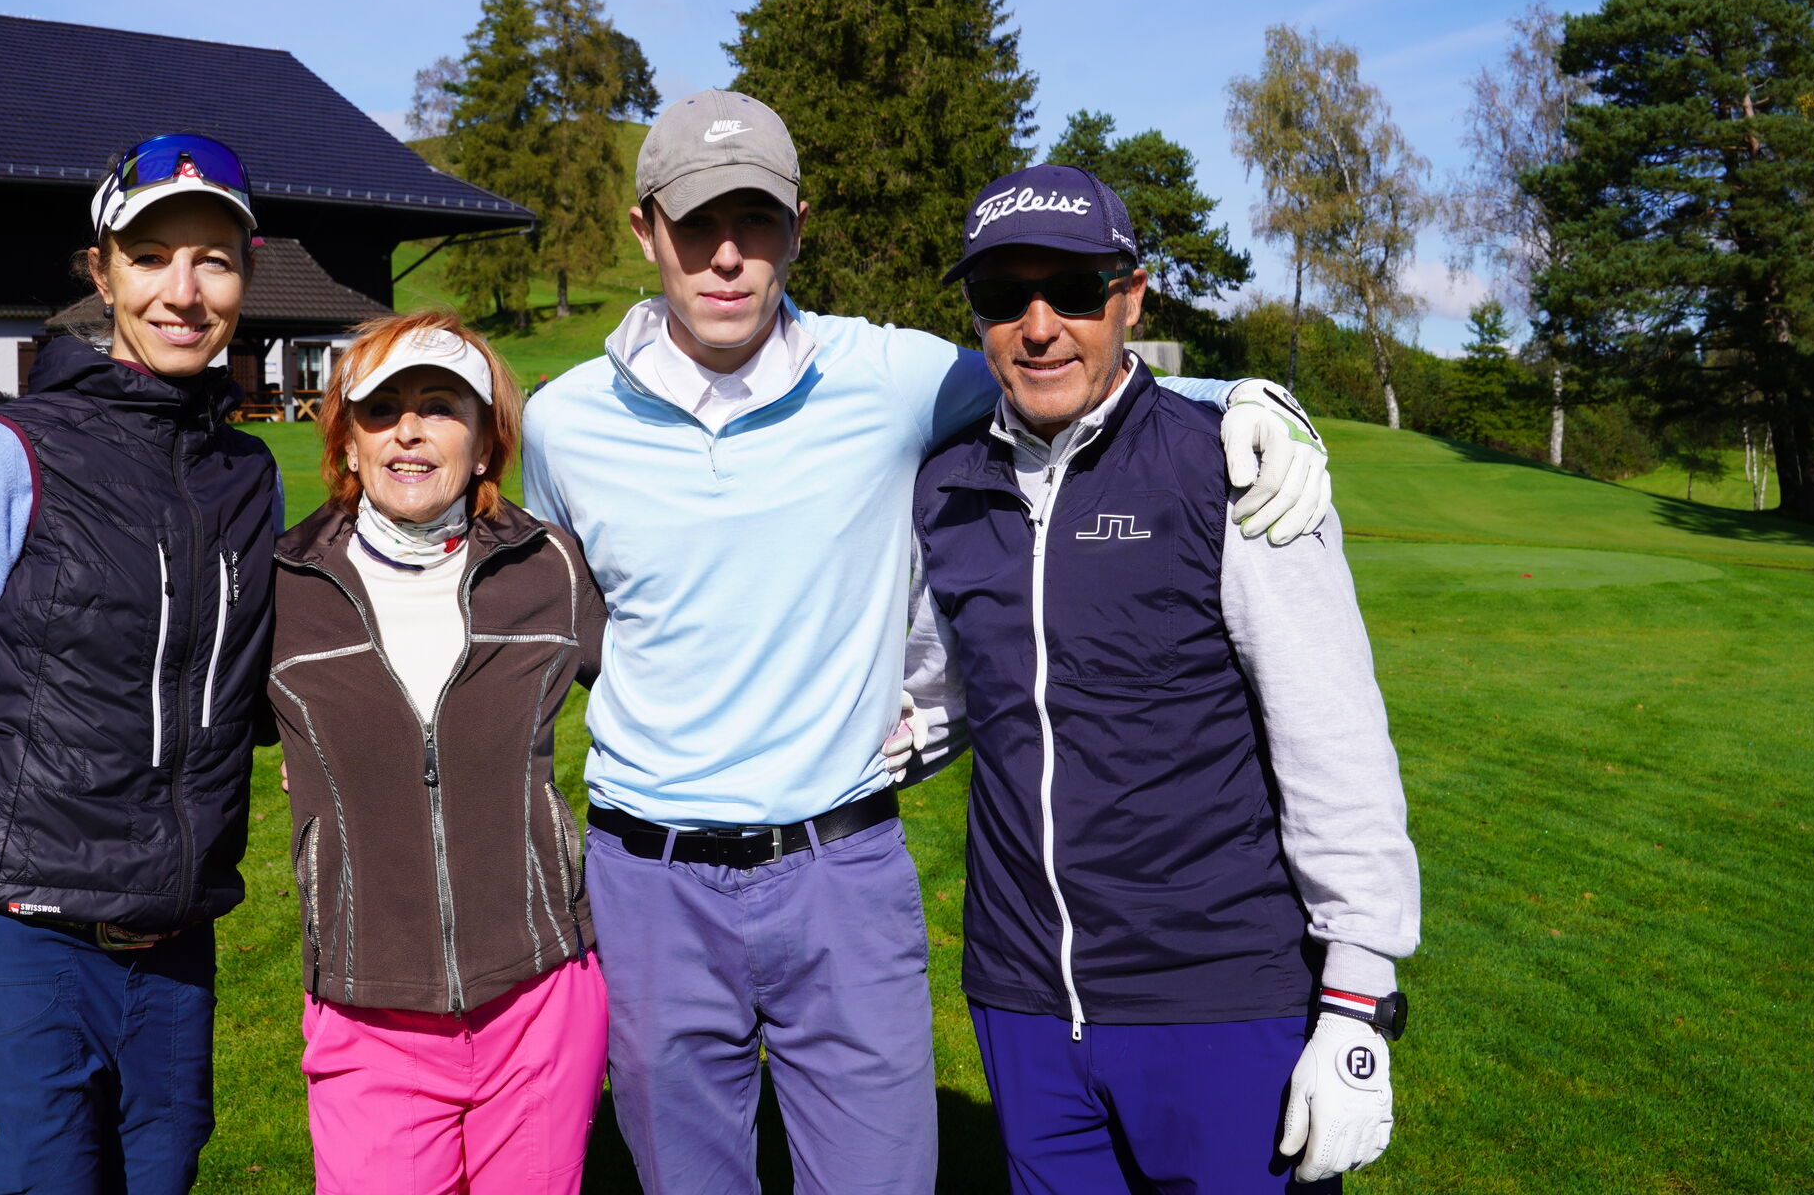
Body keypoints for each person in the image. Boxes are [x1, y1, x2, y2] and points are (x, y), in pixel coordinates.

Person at [516, 91, 1338, 1195]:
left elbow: (1060, 365)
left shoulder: (890, 376)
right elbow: (567, 621)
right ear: (643, 230)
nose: (728, 254)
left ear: (798, 227)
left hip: (839, 869)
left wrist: (1244, 396)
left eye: (756, 220)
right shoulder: (565, 423)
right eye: (697, 222)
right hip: (649, 879)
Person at [911, 164, 1419, 1194]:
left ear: (1132, 296)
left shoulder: (1232, 470)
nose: (1039, 326)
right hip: (1022, 1001)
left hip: (1221, 999)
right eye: (1004, 296)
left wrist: (1358, 1001)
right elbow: (940, 694)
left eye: (1074, 290)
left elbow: (1334, 740)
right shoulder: (948, 485)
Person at [0, 132, 283, 1195]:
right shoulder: (8, 451)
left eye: (214, 260)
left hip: (176, 954)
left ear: (247, 275)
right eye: (150, 258)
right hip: (23, 946)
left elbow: (262, 683)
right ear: (102, 273)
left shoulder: (249, 475)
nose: (183, 292)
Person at [270, 310, 612, 1193]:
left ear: (487, 441)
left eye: (440, 406)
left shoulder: (549, 567)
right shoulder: (283, 586)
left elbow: (665, 691)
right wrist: (7, 745)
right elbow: (186, 727)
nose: (409, 430)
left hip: (540, 996)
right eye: (381, 410)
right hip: (365, 1010)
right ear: (348, 443)